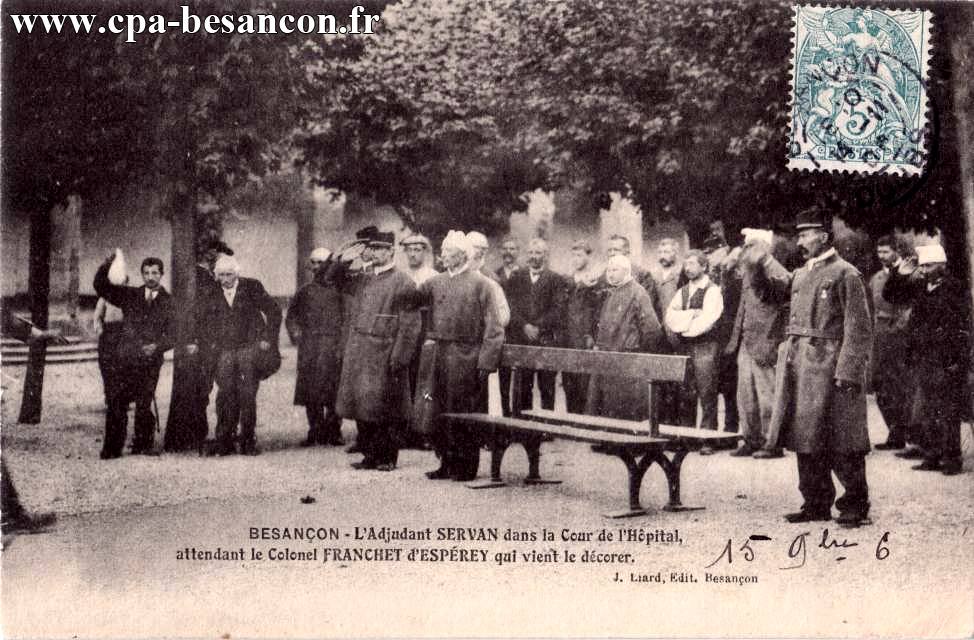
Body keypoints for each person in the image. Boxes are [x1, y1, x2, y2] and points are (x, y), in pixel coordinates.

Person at [753, 209, 873, 527]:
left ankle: (855, 504)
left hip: (831, 365)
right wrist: (759, 262)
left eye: (807, 235)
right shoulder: (803, 273)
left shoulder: (846, 273)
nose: (802, 241)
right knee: (805, 436)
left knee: (841, 438)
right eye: (801, 235)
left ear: (823, 236)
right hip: (800, 365)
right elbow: (774, 292)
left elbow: (859, 328)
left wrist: (848, 371)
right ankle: (815, 502)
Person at [406, 230, 505, 481]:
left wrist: (486, 361)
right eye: (442, 252)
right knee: (438, 410)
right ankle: (445, 463)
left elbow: (494, 327)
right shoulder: (435, 282)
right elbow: (410, 299)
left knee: (463, 412)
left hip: (466, 356)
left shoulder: (481, 283)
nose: (443, 256)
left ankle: (466, 467)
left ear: (461, 256)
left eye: (448, 252)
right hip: (439, 354)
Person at [336, 231, 421, 471]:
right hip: (361, 351)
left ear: (391, 251)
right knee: (363, 405)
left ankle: (387, 458)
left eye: (382, 249)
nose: (377, 253)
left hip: (385, 353)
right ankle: (370, 456)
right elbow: (332, 279)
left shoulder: (403, 282)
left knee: (387, 408)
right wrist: (344, 258)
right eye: (374, 249)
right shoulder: (364, 277)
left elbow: (411, 324)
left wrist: (400, 355)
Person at [883, 243, 970, 476]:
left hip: (946, 356)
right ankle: (932, 455)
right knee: (928, 407)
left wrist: (958, 359)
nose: (924, 270)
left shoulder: (954, 288)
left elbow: (962, 324)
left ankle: (952, 458)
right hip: (924, 355)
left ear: (942, 266)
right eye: (922, 266)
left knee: (948, 409)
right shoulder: (921, 286)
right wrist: (900, 273)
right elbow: (891, 295)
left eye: (929, 265)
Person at [192, 255, 282, 456]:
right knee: (225, 393)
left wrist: (268, 337)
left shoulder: (252, 287)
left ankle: (248, 440)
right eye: (221, 275)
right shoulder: (210, 293)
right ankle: (224, 438)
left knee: (248, 394)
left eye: (229, 274)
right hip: (224, 350)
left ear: (237, 274)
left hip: (249, 348)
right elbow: (200, 322)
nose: (225, 279)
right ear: (216, 276)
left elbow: (274, 311)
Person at [94, 254, 174, 458]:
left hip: (151, 360)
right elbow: (102, 287)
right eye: (146, 273)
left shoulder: (169, 302)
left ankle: (143, 443)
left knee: (144, 400)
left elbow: (174, 333)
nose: (150, 277)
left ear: (161, 274)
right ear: (142, 274)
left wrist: (157, 346)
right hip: (127, 357)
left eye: (155, 273)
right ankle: (112, 448)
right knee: (117, 400)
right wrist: (107, 264)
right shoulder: (130, 295)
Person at [164, 239, 234, 452]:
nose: (215, 260)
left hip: (217, 343)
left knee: (212, 389)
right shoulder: (196, 277)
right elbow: (189, 313)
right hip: (198, 343)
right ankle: (191, 435)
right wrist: (192, 338)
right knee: (196, 389)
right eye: (212, 256)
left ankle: (213, 434)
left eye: (219, 257)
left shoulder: (219, 279)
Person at [728, 232, 791, 459]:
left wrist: (776, 339)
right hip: (746, 340)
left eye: (751, 245)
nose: (746, 249)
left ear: (765, 247)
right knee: (745, 395)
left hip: (767, 340)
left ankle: (771, 443)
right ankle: (751, 439)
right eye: (746, 245)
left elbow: (785, 306)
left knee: (768, 396)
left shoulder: (777, 271)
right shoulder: (749, 271)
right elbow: (743, 309)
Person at [586, 255, 663, 420]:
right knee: (606, 404)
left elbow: (652, 328)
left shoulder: (638, 292)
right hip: (607, 357)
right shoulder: (610, 292)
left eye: (615, 270)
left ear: (626, 271)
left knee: (624, 407)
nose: (610, 274)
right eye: (608, 270)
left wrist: (634, 346)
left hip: (627, 358)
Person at [286, 248, 346, 447]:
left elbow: (348, 319)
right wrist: (296, 333)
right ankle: (315, 430)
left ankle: (333, 431)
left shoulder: (341, 292)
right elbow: (292, 316)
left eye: (321, 263)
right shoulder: (305, 291)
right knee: (310, 390)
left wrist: (342, 344)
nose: (316, 267)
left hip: (332, 346)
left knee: (334, 390)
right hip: (310, 347)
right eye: (313, 263)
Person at [665, 250, 725, 450]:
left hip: (706, 347)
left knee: (707, 392)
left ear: (704, 266)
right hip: (686, 347)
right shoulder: (682, 291)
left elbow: (707, 321)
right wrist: (692, 314)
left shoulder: (713, 290)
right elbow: (670, 318)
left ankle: (707, 439)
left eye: (692, 264)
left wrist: (684, 322)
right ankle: (687, 437)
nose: (688, 268)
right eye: (686, 264)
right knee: (685, 391)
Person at [501, 237, 566, 412]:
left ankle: (546, 428)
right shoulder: (516, 277)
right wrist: (524, 326)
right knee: (523, 387)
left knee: (547, 388)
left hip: (545, 341)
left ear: (545, 255)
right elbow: (509, 306)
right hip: (522, 339)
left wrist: (538, 326)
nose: (534, 256)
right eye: (531, 252)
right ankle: (524, 429)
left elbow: (558, 309)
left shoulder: (555, 279)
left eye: (538, 253)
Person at [867, 235, 914, 450]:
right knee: (880, 384)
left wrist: (901, 327)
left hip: (901, 334)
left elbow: (910, 306)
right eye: (879, 252)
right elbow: (870, 309)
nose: (882, 256)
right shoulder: (875, 279)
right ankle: (894, 432)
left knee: (902, 384)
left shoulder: (909, 274)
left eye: (886, 251)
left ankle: (910, 434)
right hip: (880, 335)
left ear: (896, 250)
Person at [562, 240, 604, 414]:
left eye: (580, 255)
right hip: (568, 337)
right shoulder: (566, 280)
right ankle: (572, 418)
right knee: (568, 380)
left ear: (588, 256)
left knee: (585, 382)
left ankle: (585, 421)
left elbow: (598, 312)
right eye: (574, 255)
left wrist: (593, 335)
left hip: (586, 337)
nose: (576, 258)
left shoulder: (595, 282)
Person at [651, 238, 685, 425]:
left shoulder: (681, 274)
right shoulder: (654, 275)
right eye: (661, 252)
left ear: (676, 253)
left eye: (667, 252)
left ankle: (678, 426)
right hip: (660, 333)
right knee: (661, 380)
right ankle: (662, 425)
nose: (663, 256)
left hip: (678, 333)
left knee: (679, 381)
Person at [605, 234, 659, 306]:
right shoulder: (603, 276)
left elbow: (646, 304)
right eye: (609, 250)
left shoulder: (642, 275)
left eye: (616, 250)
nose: (612, 253)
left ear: (627, 253)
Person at [93, 290, 125, 407]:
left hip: (124, 332)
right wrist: (100, 330)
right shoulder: (105, 298)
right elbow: (97, 316)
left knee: (123, 367)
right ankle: (109, 396)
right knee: (107, 366)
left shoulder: (130, 296)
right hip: (108, 333)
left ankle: (123, 398)